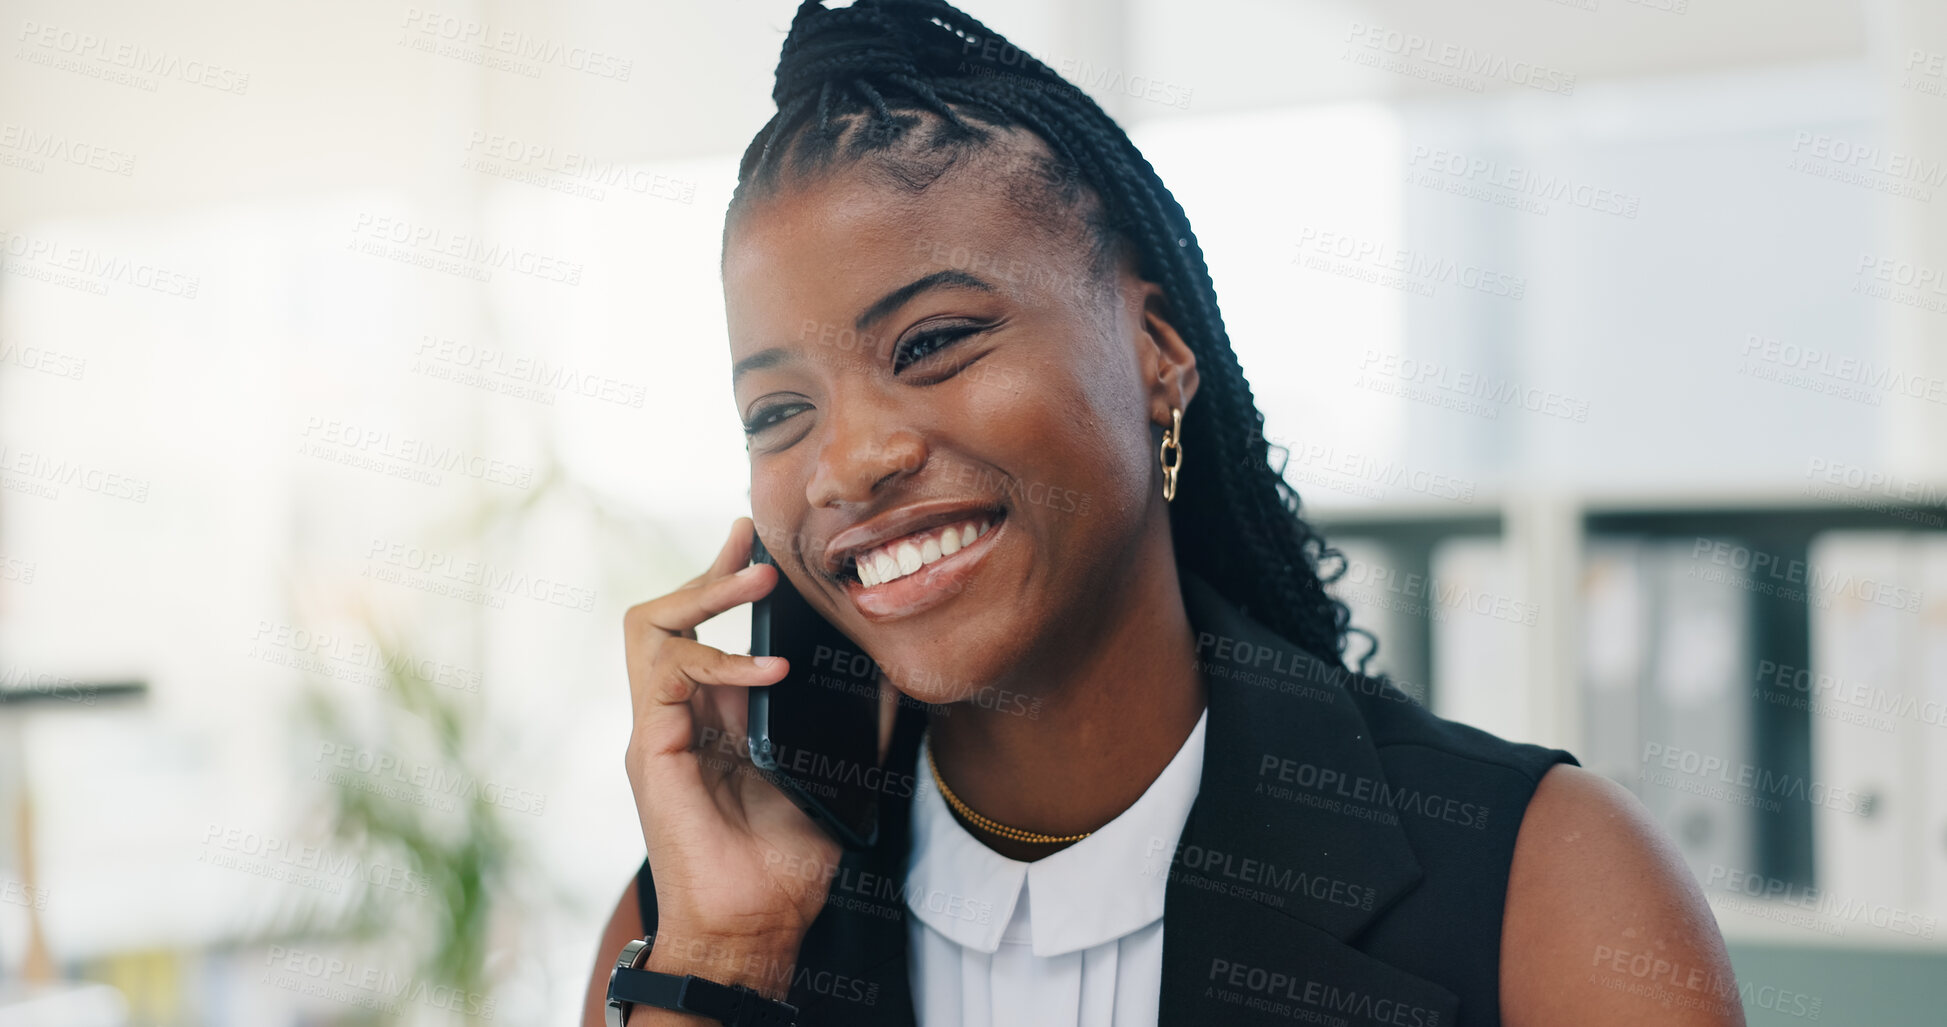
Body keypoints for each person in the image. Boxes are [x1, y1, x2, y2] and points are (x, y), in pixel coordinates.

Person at [584, 2, 1742, 1024]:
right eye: (777, 410)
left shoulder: (1549, 881)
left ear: (1157, 355)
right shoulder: (685, 930)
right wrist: (726, 959)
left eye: (932, 343)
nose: (847, 463)